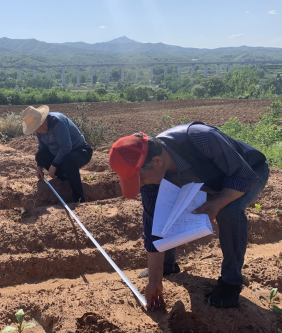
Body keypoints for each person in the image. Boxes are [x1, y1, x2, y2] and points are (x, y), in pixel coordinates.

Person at [108, 121, 269, 311]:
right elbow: (152, 224)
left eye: (140, 179)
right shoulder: (151, 176)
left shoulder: (201, 138)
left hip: (247, 172)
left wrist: (216, 203)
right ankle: (168, 266)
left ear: (157, 161)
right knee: (164, 209)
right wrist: (154, 280)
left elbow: (243, 176)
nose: (141, 184)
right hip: (206, 181)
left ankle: (231, 283)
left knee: (229, 210)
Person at [21, 105, 93, 204]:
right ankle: (66, 177)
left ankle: (79, 199)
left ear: (41, 123)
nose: (35, 132)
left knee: (69, 160)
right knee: (40, 156)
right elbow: (42, 148)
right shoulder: (40, 132)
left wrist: (53, 166)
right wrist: (39, 167)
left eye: (35, 128)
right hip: (61, 155)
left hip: (80, 151)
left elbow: (66, 147)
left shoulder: (57, 122)